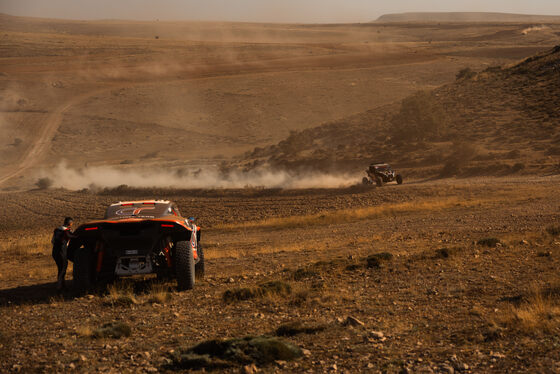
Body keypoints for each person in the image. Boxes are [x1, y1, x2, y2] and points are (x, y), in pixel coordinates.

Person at [51, 217, 75, 292]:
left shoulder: (57, 230)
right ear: (70, 223)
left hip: (54, 252)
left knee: (60, 268)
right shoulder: (66, 231)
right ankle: (59, 287)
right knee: (63, 269)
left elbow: (52, 241)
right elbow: (74, 237)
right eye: (71, 223)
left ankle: (62, 285)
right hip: (62, 252)